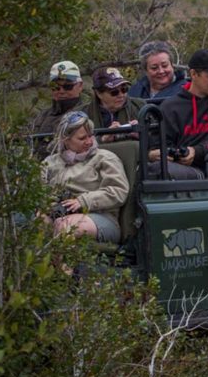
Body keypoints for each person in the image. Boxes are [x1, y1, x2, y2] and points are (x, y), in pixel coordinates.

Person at [149, 49, 208, 180]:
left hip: (205, 168)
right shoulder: (170, 106)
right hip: (174, 165)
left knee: (159, 170)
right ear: (193, 74)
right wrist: (157, 154)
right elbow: (157, 145)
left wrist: (197, 151)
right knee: (149, 169)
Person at [42, 110, 129, 242]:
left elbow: (119, 191)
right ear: (65, 140)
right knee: (36, 224)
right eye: (82, 138)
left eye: (91, 136)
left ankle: (62, 263)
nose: (89, 142)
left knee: (64, 226)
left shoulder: (104, 158)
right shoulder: (51, 162)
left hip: (100, 216)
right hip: (58, 214)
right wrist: (49, 203)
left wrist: (83, 201)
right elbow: (38, 191)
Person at [31, 60, 87, 156]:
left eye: (67, 86)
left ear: (80, 86)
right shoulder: (41, 117)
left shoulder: (88, 112)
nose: (61, 91)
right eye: (55, 87)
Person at [83, 67, 145, 142]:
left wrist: (141, 134)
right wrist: (102, 139)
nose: (121, 95)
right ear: (98, 93)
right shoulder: (83, 115)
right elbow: (76, 144)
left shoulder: (140, 107)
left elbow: (156, 138)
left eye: (124, 89)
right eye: (114, 92)